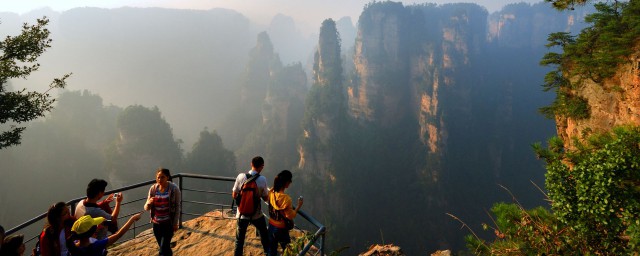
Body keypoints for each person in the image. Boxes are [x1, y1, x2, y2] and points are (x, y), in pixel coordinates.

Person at [232, 156, 270, 256]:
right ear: (262, 167)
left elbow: (234, 195)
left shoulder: (240, 176)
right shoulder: (262, 180)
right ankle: (267, 252)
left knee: (239, 240)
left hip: (242, 214)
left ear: (251, 164)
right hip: (256, 215)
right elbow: (266, 198)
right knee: (264, 234)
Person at [143, 168, 181, 256]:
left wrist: (175, 223)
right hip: (156, 224)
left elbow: (177, 206)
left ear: (167, 177)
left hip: (168, 224)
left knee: (162, 250)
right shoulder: (153, 189)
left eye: (162, 177)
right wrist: (149, 203)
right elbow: (146, 207)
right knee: (164, 247)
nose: (160, 179)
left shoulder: (174, 189)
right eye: (158, 177)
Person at [66, 213, 141, 256]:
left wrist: (93, 231)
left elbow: (84, 237)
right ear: (90, 232)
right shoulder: (96, 246)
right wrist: (132, 219)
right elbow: (119, 234)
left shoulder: (74, 245)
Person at [267, 170, 303, 256]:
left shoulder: (271, 192)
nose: (290, 183)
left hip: (271, 225)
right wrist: (298, 206)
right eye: (290, 181)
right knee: (288, 251)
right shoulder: (286, 199)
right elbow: (290, 216)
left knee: (271, 251)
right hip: (281, 229)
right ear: (286, 182)